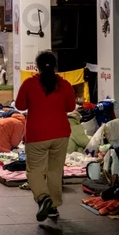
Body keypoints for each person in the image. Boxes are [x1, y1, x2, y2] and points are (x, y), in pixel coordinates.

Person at [15, 51, 76, 221]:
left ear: (37, 66)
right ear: (55, 66)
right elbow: (70, 108)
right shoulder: (65, 85)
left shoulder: (29, 83)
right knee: (55, 171)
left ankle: (43, 198)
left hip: (37, 134)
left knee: (34, 170)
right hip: (61, 133)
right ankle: (54, 207)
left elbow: (20, 105)